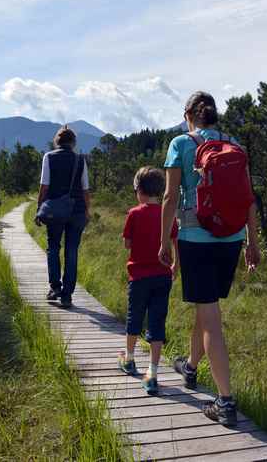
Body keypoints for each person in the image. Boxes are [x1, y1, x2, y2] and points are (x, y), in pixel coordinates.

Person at [159, 91, 261, 426]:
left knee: (211, 318)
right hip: (230, 238)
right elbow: (248, 199)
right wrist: (252, 242)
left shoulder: (181, 143)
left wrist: (164, 242)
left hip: (195, 238)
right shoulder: (235, 146)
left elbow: (171, 195)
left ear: (188, 113)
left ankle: (225, 402)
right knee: (208, 308)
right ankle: (189, 366)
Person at [117, 167, 178, 395]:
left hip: (139, 276)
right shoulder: (167, 214)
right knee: (156, 322)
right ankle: (152, 373)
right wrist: (175, 266)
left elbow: (127, 244)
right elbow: (174, 241)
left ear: (139, 190)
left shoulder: (134, 213)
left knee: (135, 317)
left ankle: (130, 360)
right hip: (163, 276)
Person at [35, 126, 91, 308]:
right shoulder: (80, 160)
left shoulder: (49, 157)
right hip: (77, 211)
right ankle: (67, 295)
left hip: (55, 211)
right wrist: (87, 211)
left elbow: (44, 186)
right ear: (73, 142)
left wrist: (39, 208)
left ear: (56, 141)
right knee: (72, 251)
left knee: (53, 247)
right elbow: (85, 190)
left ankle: (55, 288)